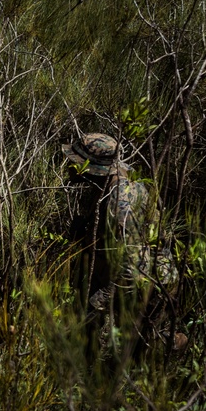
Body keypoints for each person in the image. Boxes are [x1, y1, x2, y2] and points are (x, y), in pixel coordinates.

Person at [63, 132, 184, 354]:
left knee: (144, 351)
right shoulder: (120, 181)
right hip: (143, 278)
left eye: (78, 163)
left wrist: (96, 304)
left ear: (95, 167)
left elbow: (133, 269)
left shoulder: (121, 203)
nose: (72, 166)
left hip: (145, 285)